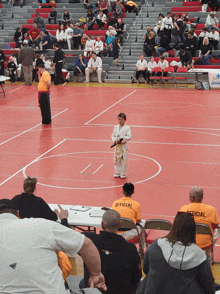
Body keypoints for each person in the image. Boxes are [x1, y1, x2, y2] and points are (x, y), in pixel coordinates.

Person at [0, 198, 107, 293]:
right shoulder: (41, 225)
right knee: (95, 292)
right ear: (18, 214)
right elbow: (86, 244)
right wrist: (95, 274)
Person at [136, 212, 215, 294]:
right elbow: (208, 285)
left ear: (173, 227)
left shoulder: (157, 245)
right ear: (193, 230)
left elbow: (146, 269)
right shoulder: (199, 255)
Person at [81, 210, 142, 294]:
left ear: (102, 224)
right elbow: (137, 277)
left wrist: (64, 220)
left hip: (94, 289)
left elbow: (68, 236)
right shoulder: (130, 248)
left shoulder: (89, 240)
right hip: (121, 290)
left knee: (82, 282)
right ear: (121, 224)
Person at [180, 186, 219, 257]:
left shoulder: (184, 209)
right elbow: (215, 227)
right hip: (205, 243)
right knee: (217, 230)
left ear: (192, 198)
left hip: (188, 242)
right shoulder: (211, 209)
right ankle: (208, 254)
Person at [111, 113, 131, 178]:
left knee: (124, 160)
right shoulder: (116, 127)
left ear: (125, 120)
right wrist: (115, 141)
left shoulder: (127, 128)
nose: (120, 121)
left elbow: (129, 137)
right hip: (117, 146)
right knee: (116, 159)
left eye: (121, 120)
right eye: (119, 119)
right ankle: (117, 172)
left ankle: (123, 173)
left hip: (123, 147)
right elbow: (113, 135)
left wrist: (121, 140)